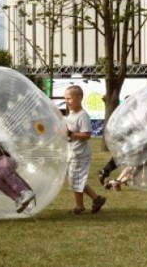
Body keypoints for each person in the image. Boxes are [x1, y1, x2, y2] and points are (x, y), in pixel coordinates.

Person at [64, 85, 106, 215]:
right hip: (72, 153)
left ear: (79, 98)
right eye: (65, 99)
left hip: (80, 154)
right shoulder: (71, 114)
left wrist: (71, 134)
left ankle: (80, 206)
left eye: (69, 98)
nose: (67, 101)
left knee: (75, 180)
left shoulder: (82, 116)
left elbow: (87, 135)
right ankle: (97, 198)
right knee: (76, 180)